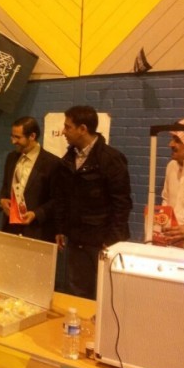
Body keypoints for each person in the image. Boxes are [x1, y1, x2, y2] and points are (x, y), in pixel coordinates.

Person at [55, 105, 132, 300]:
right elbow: (63, 197)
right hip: (76, 239)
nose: (63, 131)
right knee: (78, 295)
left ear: (82, 129)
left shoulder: (111, 159)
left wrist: (112, 241)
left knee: (108, 295)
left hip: (102, 241)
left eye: (68, 127)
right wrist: (61, 228)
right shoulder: (68, 158)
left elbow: (122, 204)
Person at [0, 117, 60, 242]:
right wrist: (2, 201)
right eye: (12, 136)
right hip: (10, 228)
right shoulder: (11, 158)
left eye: (17, 137)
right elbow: (5, 187)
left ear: (32, 136)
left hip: (36, 231)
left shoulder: (52, 163)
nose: (13, 141)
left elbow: (57, 200)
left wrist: (36, 214)